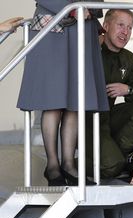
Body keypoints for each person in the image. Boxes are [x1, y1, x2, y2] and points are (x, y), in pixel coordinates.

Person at [17, 0, 109, 186]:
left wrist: (90, 8)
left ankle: (68, 164)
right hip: (54, 23)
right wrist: (73, 10)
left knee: (76, 99)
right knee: (53, 99)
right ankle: (52, 166)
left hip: (82, 28)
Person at [84, 9, 133, 179]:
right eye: (120, 25)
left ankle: (115, 156)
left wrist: (127, 90)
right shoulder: (89, 50)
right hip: (84, 123)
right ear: (105, 26)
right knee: (112, 167)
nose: (125, 32)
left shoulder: (128, 59)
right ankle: (73, 165)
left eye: (129, 27)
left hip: (108, 119)